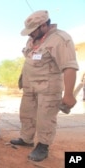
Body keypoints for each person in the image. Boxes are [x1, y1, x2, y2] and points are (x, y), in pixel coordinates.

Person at [10, 10, 79, 162]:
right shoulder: (33, 40)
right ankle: (26, 139)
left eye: (32, 31)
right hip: (30, 87)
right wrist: (22, 78)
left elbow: (69, 67)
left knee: (45, 118)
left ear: (43, 26)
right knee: (26, 114)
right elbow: (29, 60)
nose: (29, 35)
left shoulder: (60, 39)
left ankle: (43, 145)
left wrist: (68, 94)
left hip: (48, 88)